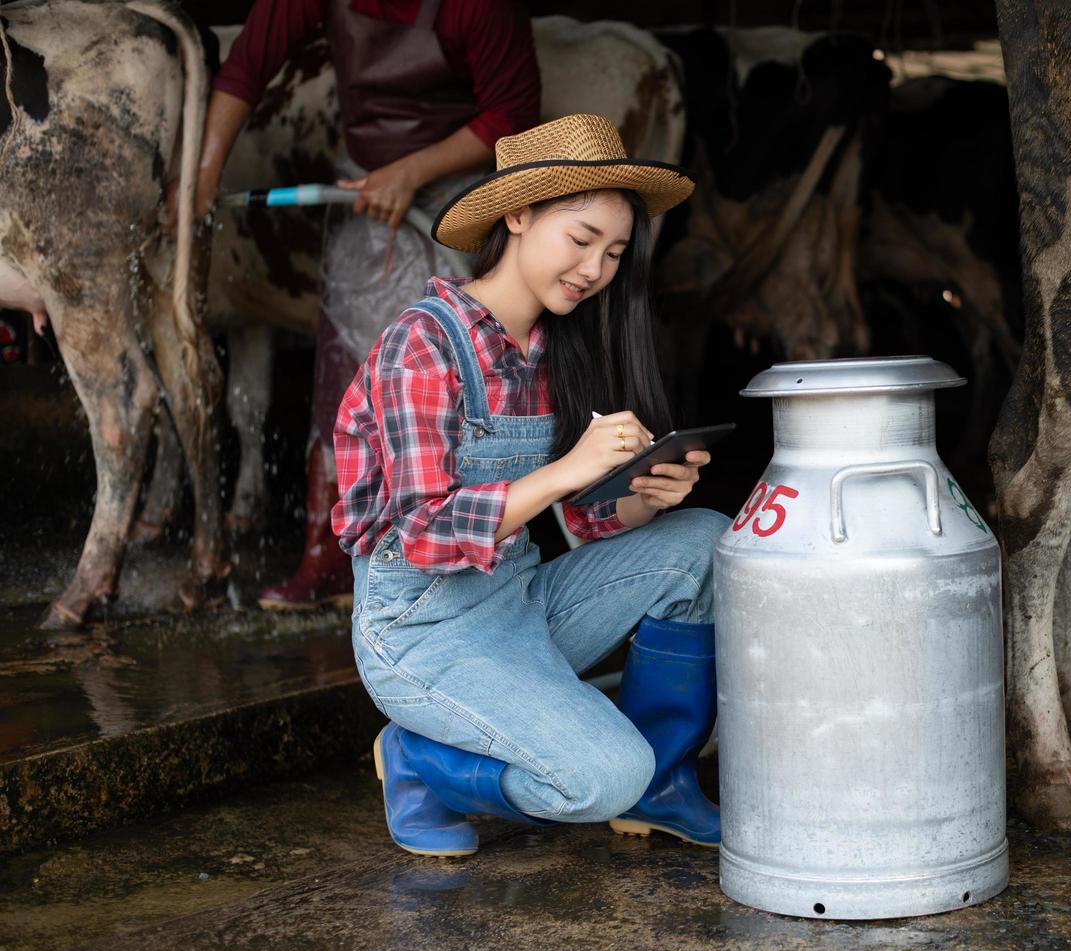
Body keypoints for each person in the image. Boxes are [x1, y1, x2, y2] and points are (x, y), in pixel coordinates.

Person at [334, 114, 729, 856]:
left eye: (613, 253)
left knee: (703, 540)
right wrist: (569, 467)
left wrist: (647, 495)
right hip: (422, 633)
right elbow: (421, 534)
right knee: (600, 777)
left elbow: (583, 521)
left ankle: (662, 784)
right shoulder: (420, 346)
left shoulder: (555, 346)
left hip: (520, 605)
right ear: (517, 215)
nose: (595, 269)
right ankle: (421, 762)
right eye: (580, 241)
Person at [190, 0, 542, 611]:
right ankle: (329, 555)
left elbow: (513, 116)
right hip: (363, 183)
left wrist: (412, 172)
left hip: (458, 190)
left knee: (457, 379)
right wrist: (202, 176)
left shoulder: (480, 6)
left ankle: (457, 567)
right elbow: (247, 66)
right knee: (343, 373)